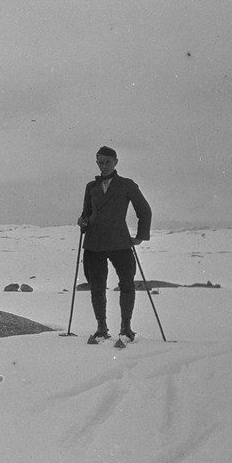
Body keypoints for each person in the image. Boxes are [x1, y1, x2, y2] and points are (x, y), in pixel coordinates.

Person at [77, 146, 152, 341]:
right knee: (96, 286)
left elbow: (144, 211)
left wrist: (140, 236)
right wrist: (83, 221)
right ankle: (101, 327)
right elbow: (87, 213)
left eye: (108, 162)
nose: (104, 166)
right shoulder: (91, 187)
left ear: (116, 162)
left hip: (120, 241)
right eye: (100, 162)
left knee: (127, 284)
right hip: (94, 242)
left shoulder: (127, 185)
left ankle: (126, 327)